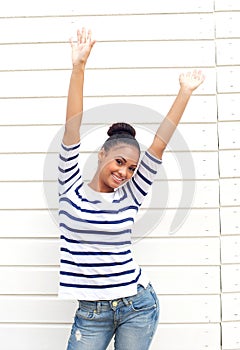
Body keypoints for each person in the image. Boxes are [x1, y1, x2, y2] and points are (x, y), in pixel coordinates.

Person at [58, 28, 205, 350]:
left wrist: (185, 91)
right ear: (102, 155)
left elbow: (160, 143)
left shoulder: (131, 194)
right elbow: (72, 125)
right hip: (90, 313)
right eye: (119, 162)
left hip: (136, 305)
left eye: (132, 168)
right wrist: (78, 67)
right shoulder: (70, 185)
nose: (124, 172)